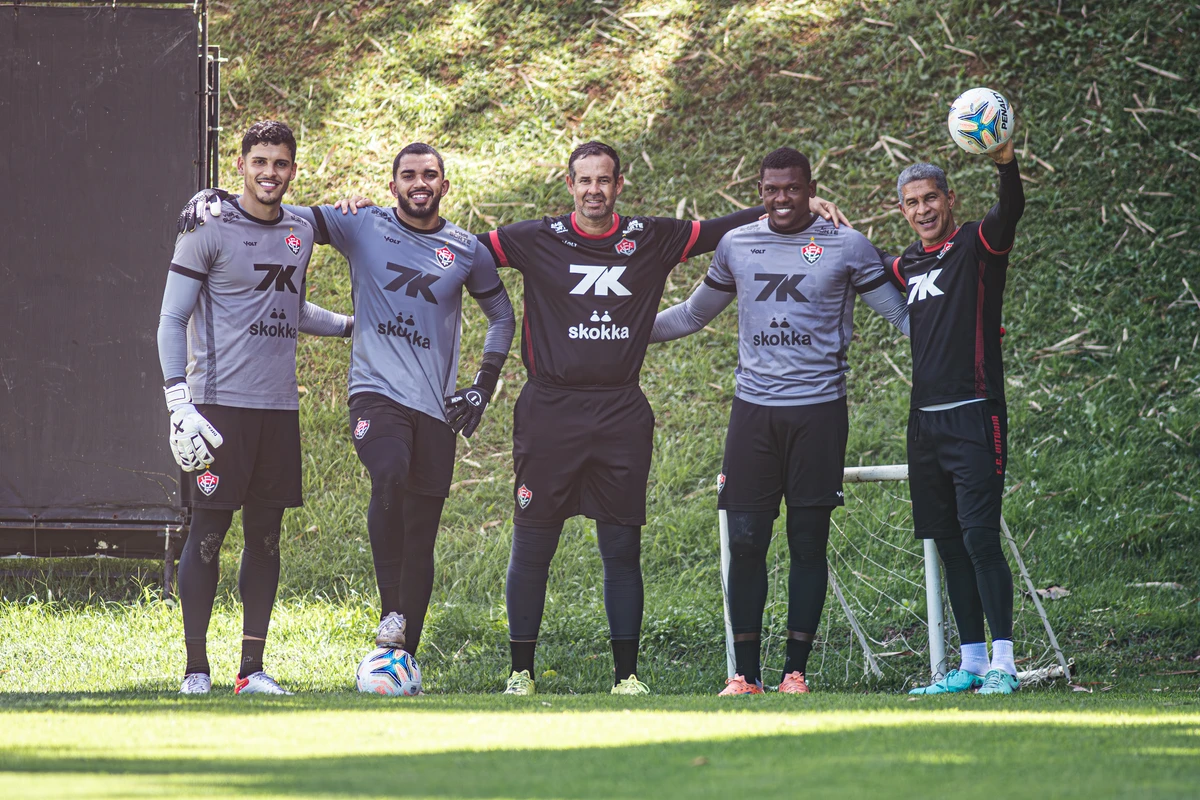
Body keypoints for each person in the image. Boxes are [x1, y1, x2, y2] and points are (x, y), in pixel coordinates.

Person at [476, 141, 850, 695]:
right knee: (534, 541)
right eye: (585, 181)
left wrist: (790, 207)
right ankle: (520, 674)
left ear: (619, 185)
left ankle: (626, 677)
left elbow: (717, 228)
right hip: (549, 408)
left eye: (604, 180)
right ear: (569, 184)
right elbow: (460, 251)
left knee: (622, 547)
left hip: (621, 410)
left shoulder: (650, 237)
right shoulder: (536, 238)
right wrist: (386, 221)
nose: (594, 190)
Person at [178, 143, 516, 677]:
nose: (419, 183)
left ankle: (402, 660)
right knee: (388, 472)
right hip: (375, 394)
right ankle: (390, 613)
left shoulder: (466, 248)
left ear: (445, 186)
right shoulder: (361, 224)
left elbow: (501, 316)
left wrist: (482, 384)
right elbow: (274, 207)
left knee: (422, 532)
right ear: (392, 185)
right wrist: (215, 199)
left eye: (430, 175)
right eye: (409, 175)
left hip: (435, 408)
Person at [650, 147, 909, 695]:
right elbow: (694, 314)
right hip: (753, 413)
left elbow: (900, 314)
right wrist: (622, 334)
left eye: (792, 188)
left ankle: (796, 672)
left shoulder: (848, 246)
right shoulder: (737, 244)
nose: (781, 199)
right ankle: (744, 676)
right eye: (771, 189)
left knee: (808, 542)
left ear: (810, 187)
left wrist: (959, 344)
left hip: (819, 412)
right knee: (745, 541)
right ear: (760, 190)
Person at [159, 120, 352, 695]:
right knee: (209, 536)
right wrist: (178, 402)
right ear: (240, 165)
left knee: (266, 537)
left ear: (294, 170)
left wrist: (350, 326)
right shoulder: (206, 227)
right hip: (217, 409)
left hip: (278, 410)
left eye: (282, 163)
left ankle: (251, 671)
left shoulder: (300, 228)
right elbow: (172, 318)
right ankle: (196, 671)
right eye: (260, 161)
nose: (271, 173)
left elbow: (286, 306)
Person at [882, 137, 1026, 695]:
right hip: (925, 423)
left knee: (980, 539)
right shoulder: (907, 263)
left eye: (931, 198)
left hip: (975, 413)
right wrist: (825, 218)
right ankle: (968, 664)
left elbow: (1008, 210)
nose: (923, 209)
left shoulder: (976, 245)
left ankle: (1005, 664)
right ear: (903, 210)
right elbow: (864, 260)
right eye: (912, 202)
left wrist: (1005, 161)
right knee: (946, 543)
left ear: (949, 199)